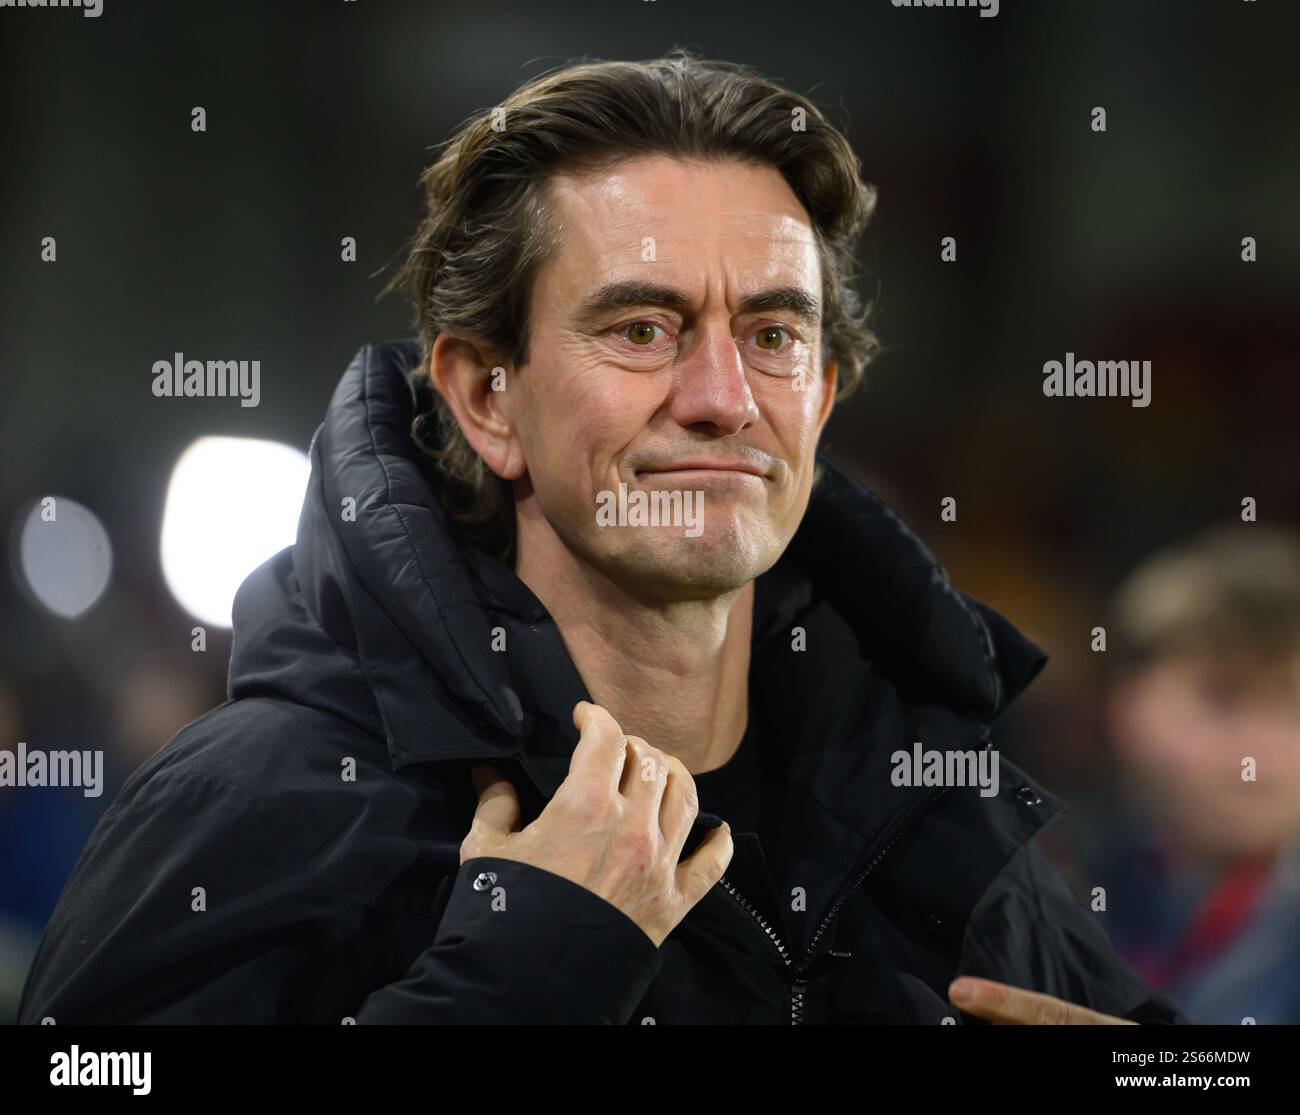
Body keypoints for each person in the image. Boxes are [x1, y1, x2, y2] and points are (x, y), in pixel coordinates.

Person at [18, 51, 1186, 1025]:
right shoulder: (262, 800)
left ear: (822, 398)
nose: (723, 395)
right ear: (487, 397)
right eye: (641, 327)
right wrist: (519, 984)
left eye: (774, 334)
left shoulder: (923, 800)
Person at [1097, 527, 1300, 1023]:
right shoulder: (1084, 881)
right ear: (1128, 708)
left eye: (1293, 703)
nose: (1264, 746)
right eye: (1222, 699)